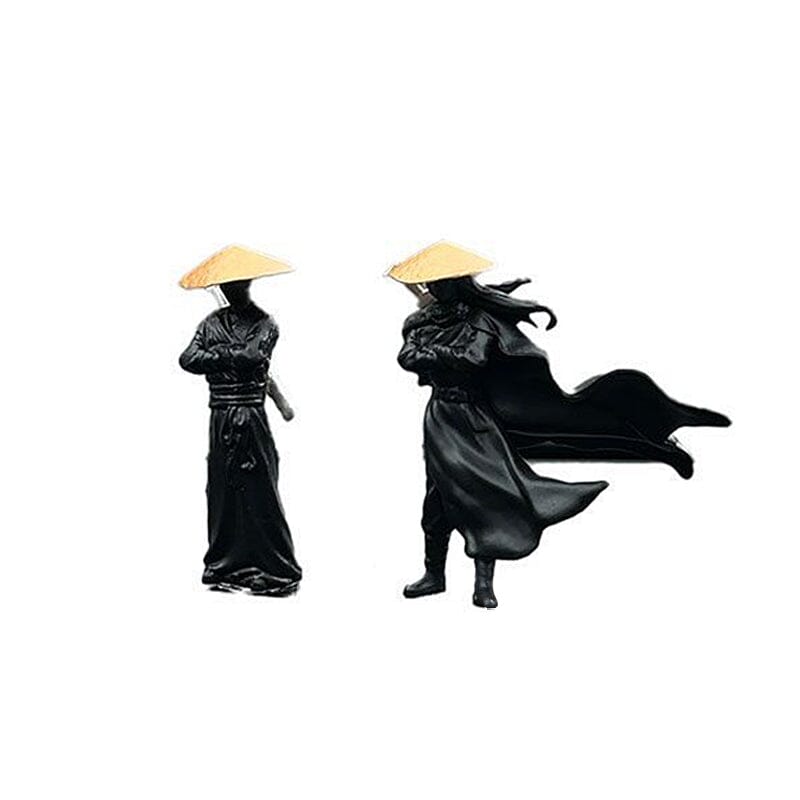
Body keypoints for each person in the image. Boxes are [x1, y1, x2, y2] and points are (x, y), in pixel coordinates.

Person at [390, 242, 730, 609]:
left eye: (440, 281)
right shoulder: (422, 320)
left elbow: (471, 358)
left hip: (474, 419)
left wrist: (432, 353)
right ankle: (434, 575)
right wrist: (438, 354)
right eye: (430, 282)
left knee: (485, 498)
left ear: (457, 282)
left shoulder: (478, 320)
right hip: (440, 418)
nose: (433, 288)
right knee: (437, 502)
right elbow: (407, 357)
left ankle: (482, 584)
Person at [179, 245, 301, 596]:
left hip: (249, 414)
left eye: (238, 284)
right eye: (227, 286)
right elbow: (187, 358)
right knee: (223, 490)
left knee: (260, 489)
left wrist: (217, 355)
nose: (232, 291)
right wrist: (229, 356)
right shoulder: (211, 323)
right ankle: (226, 565)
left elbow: (253, 355)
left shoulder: (264, 323)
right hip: (219, 415)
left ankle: (277, 569)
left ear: (247, 284)